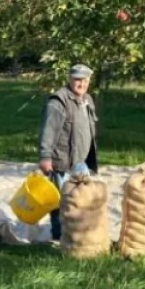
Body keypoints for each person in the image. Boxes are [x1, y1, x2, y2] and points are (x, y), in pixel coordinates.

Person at [38, 64, 99, 240]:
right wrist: (45, 157)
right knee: (61, 200)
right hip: (62, 161)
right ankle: (58, 235)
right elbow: (48, 131)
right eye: (78, 79)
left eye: (85, 80)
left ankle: (78, 234)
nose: (82, 83)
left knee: (83, 198)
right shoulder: (58, 102)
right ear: (69, 79)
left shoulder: (87, 99)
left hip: (81, 160)